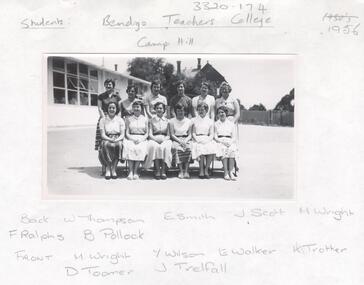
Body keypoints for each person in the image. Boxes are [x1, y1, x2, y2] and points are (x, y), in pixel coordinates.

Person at [215, 81, 240, 175]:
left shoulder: (234, 100)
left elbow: (237, 113)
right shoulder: (217, 101)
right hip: (220, 122)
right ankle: (224, 163)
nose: (225, 91)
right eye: (223, 90)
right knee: (222, 143)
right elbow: (215, 113)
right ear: (221, 91)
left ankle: (234, 165)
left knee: (232, 143)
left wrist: (232, 122)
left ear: (229, 90)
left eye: (226, 90)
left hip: (231, 121)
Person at [144, 102, 172, 180]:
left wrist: (164, 139)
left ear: (164, 110)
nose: (159, 110)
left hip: (165, 139)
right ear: (155, 109)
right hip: (154, 138)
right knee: (154, 146)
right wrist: (155, 139)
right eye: (157, 108)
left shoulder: (167, 121)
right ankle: (157, 170)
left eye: (161, 108)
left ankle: (163, 170)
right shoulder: (151, 120)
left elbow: (169, 135)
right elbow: (150, 134)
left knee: (165, 147)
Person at [98, 102, 125, 180]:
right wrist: (110, 139)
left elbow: (122, 134)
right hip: (107, 137)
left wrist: (117, 139)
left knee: (119, 145)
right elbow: (102, 134)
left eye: (113, 108)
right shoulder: (103, 120)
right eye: (110, 107)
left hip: (118, 138)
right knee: (106, 145)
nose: (111, 109)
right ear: (107, 109)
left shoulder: (120, 120)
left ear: (116, 109)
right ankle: (108, 168)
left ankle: (114, 169)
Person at [123, 101, 149, 180]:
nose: (136, 109)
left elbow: (147, 133)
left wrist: (141, 139)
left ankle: (135, 171)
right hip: (131, 137)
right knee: (130, 147)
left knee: (140, 148)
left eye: (138, 107)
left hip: (142, 138)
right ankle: (130, 171)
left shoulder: (145, 119)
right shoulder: (128, 119)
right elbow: (127, 133)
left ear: (141, 108)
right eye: (134, 107)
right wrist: (132, 139)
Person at [191, 102, 216, 179]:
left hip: (207, 139)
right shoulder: (194, 120)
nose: (201, 111)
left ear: (206, 110)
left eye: (203, 110)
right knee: (200, 149)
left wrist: (207, 140)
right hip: (197, 139)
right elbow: (193, 133)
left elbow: (212, 134)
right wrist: (198, 139)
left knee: (211, 148)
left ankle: (206, 170)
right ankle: (201, 170)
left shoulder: (210, 121)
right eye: (199, 110)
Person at [94, 79, 121, 152]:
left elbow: (119, 109)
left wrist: (117, 119)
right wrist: (104, 119)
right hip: (104, 117)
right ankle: (102, 154)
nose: (108, 86)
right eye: (106, 84)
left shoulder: (117, 96)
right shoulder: (101, 96)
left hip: (114, 117)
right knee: (102, 138)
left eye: (110, 84)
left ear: (113, 86)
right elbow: (100, 108)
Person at [214, 106, 238, 180]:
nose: (221, 114)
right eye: (219, 113)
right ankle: (225, 172)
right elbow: (215, 137)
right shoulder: (216, 124)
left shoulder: (231, 124)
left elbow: (234, 137)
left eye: (223, 112)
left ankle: (231, 172)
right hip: (220, 141)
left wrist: (230, 142)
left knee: (232, 149)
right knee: (223, 149)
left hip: (229, 141)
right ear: (217, 114)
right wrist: (222, 142)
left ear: (226, 113)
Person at [169, 103, 192, 179]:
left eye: (182, 110)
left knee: (188, 148)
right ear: (175, 111)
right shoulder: (171, 121)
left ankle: (186, 171)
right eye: (178, 111)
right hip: (176, 139)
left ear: (184, 111)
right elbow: (172, 134)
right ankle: (181, 171)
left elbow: (190, 134)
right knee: (177, 149)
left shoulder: (189, 121)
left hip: (186, 139)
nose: (180, 112)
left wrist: (185, 141)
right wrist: (180, 141)